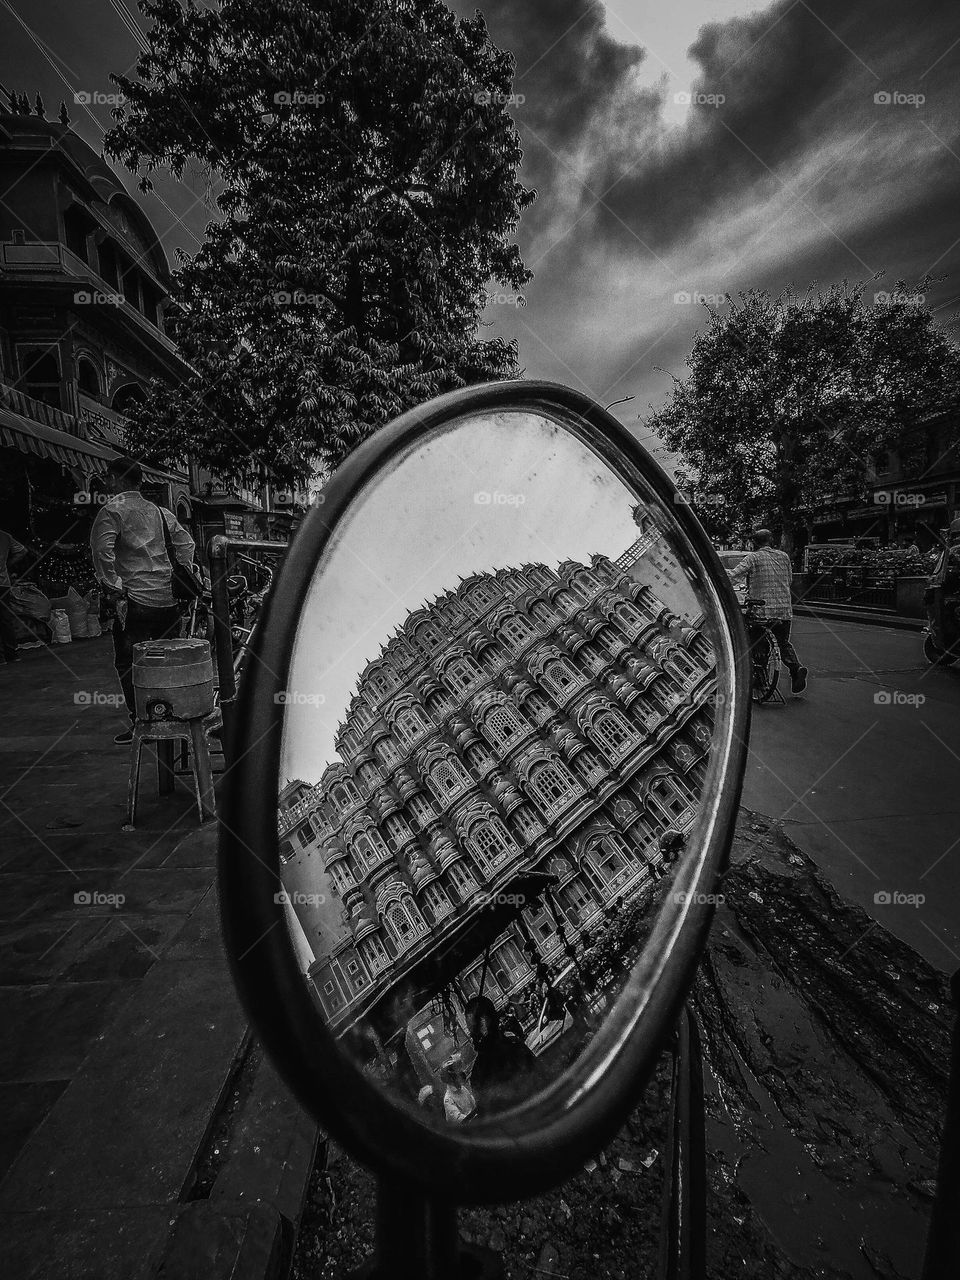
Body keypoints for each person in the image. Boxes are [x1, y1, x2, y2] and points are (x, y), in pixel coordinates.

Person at [89, 459, 195, 743]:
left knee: (129, 663)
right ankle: (171, 717)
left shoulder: (111, 511)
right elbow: (187, 545)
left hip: (134, 602)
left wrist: (114, 586)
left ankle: (142, 721)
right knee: (166, 661)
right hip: (167, 601)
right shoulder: (161, 513)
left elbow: (102, 553)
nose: (106, 482)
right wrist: (177, 574)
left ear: (116, 478)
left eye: (108, 477)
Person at [728, 528, 808, 696]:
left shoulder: (753, 558)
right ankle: (796, 668)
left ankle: (762, 682)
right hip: (784, 609)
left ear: (754, 543)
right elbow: (789, 579)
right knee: (783, 643)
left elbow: (734, 575)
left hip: (762, 610)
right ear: (771, 541)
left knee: (758, 644)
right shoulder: (784, 557)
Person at [465, 996, 536, 1115]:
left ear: (483, 1023)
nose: (471, 1035)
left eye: (471, 1029)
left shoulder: (480, 1072)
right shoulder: (514, 1044)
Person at [0, 528, 30, 664]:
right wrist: (8, 564)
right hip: (3, 583)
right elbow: (22, 551)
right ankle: (12, 654)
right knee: (5, 619)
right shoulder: (5, 536)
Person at [440, 1058, 476, 1124]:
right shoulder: (448, 1099)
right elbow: (460, 1120)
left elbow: (473, 1104)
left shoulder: (462, 1089)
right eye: (458, 1074)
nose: (461, 1075)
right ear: (451, 1078)